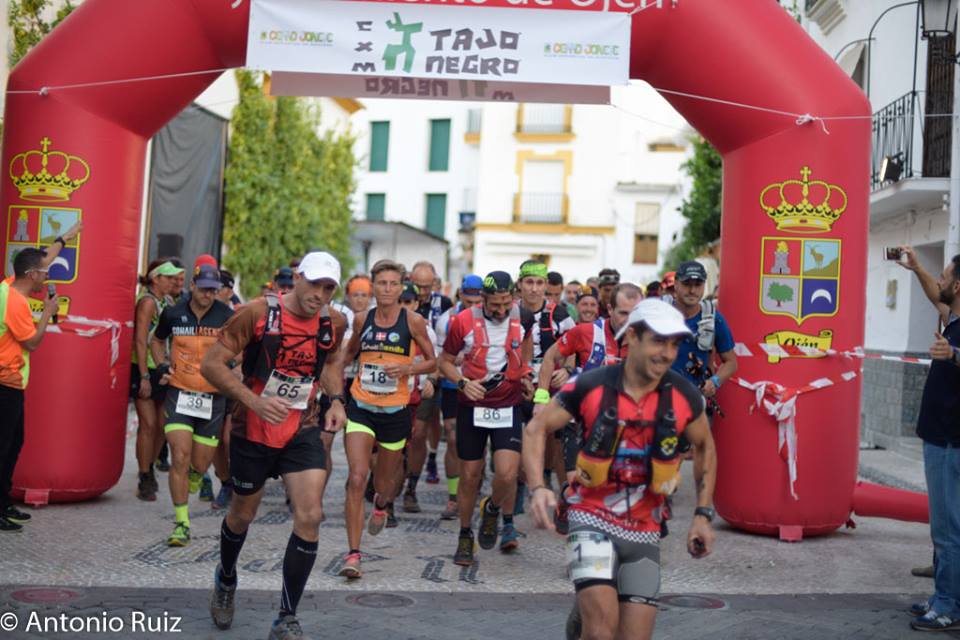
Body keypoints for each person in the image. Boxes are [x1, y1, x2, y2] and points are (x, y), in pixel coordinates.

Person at [524, 299, 717, 640]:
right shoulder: (591, 385)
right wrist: (539, 487)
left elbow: (705, 447)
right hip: (590, 518)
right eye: (658, 341)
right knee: (601, 631)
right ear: (632, 338)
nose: (667, 354)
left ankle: (586, 602)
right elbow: (537, 428)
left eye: (674, 344)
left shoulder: (683, 395)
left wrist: (702, 515)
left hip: (645, 529)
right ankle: (592, 600)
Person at [201, 251, 348, 640]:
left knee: (310, 515)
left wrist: (336, 400)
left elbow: (331, 362)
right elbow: (211, 364)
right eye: (314, 284)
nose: (319, 295)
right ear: (297, 278)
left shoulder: (334, 321)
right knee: (242, 514)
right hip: (252, 428)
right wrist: (254, 401)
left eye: (328, 288)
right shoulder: (256, 313)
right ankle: (226, 577)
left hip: (303, 427)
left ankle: (286, 617)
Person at [339, 259, 436, 579]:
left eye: (394, 284)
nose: (388, 289)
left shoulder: (413, 321)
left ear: (401, 287)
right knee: (357, 478)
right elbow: (347, 355)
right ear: (373, 286)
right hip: (361, 407)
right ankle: (353, 554)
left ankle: (381, 505)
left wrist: (408, 368)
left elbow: (432, 362)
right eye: (382, 283)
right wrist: (333, 388)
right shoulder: (362, 319)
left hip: (395, 411)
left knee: (383, 484)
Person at [439, 271, 535, 563]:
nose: (502, 310)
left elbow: (525, 355)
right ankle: (465, 534)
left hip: (507, 405)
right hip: (472, 405)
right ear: (482, 299)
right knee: (470, 475)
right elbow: (444, 362)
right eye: (495, 305)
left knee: (507, 473)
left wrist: (527, 376)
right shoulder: (462, 321)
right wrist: (462, 383)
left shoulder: (524, 317)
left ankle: (492, 509)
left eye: (506, 303)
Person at [899, 247, 960, 632]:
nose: (940, 281)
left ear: (959, 285)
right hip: (939, 438)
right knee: (943, 527)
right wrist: (917, 267)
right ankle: (942, 595)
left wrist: (952, 355)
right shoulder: (953, 318)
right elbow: (935, 296)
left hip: (951, 442)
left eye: (945, 276)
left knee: (948, 529)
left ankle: (949, 605)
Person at [151, 265, 234, 546]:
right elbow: (156, 340)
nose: (208, 295)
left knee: (199, 462)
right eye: (203, 289)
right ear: (193, 285)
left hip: (213, 397)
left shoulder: (226, 316)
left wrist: (230, 367)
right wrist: (161, 365)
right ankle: (182, 524)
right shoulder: (173, 313)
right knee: (180, 456)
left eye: (213, 290)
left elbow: (241, 348)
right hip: (180, 393)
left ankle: (198, 475)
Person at [536, 284, 642, 493]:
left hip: (619, 423)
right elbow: (550, 356)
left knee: (611, 489)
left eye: (634, 314)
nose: (628, 320)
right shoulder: (586, 332)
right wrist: (541, 397)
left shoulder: (645, 339)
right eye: (623, 313)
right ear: (610, 309)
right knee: (577, 485)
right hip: (580, 421)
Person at [0, 248, 59, 532]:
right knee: (4, 448)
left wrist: (64, 238)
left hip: (10, 383)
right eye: (45, 273)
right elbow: (32, 343)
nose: (47, 278)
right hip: (5, 383)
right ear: (32, 274)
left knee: (14, 443)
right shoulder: (16, 302)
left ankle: (3, 502)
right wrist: (47, 313)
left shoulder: (7, 286)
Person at [670, 261, 736, 482]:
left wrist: (714, 382)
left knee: (680, 448)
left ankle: (666, 487)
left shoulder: (713, 317)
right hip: (657, 392)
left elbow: (731, 362)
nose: (692, 290)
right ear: (676, 285)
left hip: (691, 396)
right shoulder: (660, 313)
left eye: (698, 284)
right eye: (687, 284)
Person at [518, 259, 576, 508]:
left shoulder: (559, 314)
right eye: (529, 282)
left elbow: (574, 347)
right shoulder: (509, 311)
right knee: (520, 439)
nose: (534, 289)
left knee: (555, 437)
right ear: (520, 284)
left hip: (550, 384)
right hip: (518, 383)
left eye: (539, 283)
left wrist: (567, 370)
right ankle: (519, 487)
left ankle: (556, 488)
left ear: (545, 285)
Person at [430, 274, 484, 520]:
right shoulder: (447, 319)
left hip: (482, 385)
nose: (473, 306)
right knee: (452, 437)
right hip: (454, 385)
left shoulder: (492, 318)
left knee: (478, 440)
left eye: (477, 302)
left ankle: (473, 485)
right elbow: (441, 359)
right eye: (469, 301)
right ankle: (453, 497)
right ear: (461, 295)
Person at [132, 259, 184, 501]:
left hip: (164, 368)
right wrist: (144, 375)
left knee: (163, 426)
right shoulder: (147, 302)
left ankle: (149, 466)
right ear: (156, 279)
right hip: (144, 369)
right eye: (169, 277)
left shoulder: (168, 302)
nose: (174, 281)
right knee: (149, 425)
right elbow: (140, 340)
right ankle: (144, 476)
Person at [398, 283, 439, 515]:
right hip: (392, 393)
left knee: (418, 436)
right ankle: (387, 484)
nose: (404, 306)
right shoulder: (382, 324)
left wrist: (431, 381)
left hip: (421, 391)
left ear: (416, 303)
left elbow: (436, 361)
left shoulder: (426, 330)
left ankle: (411, 488)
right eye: (400, 301)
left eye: (408, 302)